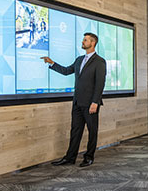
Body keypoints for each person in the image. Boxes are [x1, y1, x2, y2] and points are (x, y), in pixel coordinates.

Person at [41, 32, 106, 168]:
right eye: (83, 40)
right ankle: (70, 158)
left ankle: (89, 157)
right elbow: (66, 71)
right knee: (75, 131)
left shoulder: (99, 61)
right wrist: (52, 63)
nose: (83, 42)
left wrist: (95, 102)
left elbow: (100, 83)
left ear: (93, 43)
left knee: (92, 131)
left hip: (90, 103)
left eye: (85, 40)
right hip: (77, 102)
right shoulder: (79, 60)